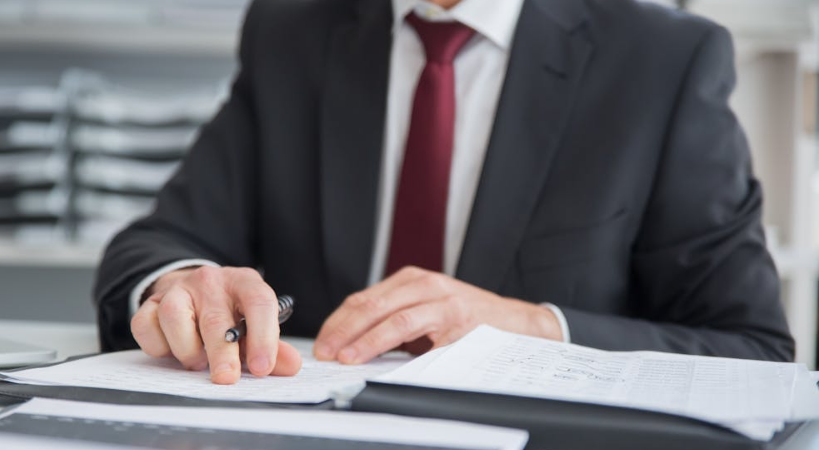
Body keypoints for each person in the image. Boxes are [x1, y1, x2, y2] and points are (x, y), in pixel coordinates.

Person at [94, 0, 795, 385]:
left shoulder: (663, 61)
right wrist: (186, 285)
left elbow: (752, 349)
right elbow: (159, 241)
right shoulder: (293, 31)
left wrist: (528, 326)